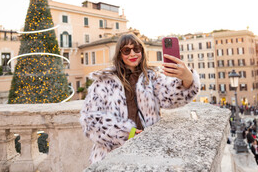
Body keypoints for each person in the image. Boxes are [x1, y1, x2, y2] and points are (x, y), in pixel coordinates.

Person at [79, 34, 200, 164]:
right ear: (119, 54)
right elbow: (90, 119)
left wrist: (187, 78)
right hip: (111, 155)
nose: (132, 54)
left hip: (147, 151)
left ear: (142, 52)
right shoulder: (103, 82)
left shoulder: (152, 77)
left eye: (136, 49)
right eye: (127, 50)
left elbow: (172, 97)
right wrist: (126, 133)